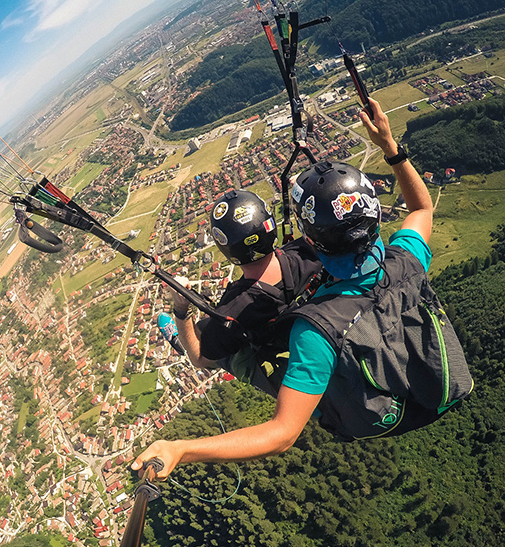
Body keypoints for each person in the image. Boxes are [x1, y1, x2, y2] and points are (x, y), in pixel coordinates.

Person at [134, 97, 471, 479]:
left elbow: (281, 434)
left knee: (237, 358)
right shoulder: (406, 258)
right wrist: (389, 147)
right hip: (427, 380)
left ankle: (181, 329)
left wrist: (182, 449)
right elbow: (422, 209)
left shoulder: (314, 333)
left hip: (373, 409)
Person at [170, 188, 323, 396]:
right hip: (316, 335)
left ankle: (182, 337)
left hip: (277, 352)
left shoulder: (235, 309)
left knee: (207, 333)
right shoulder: (308, 253)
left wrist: (181, 310)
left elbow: (199, 359)